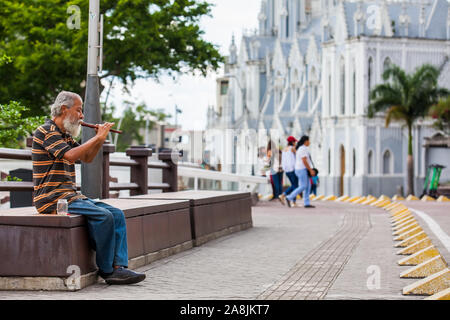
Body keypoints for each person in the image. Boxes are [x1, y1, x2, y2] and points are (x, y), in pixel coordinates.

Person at [32, 91, 146, 285]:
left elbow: (86, 157)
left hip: (70, 197)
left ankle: (120, 267)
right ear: (63, 109)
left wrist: (99, 139)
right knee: (104, 216)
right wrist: (98, 138)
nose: (82, 116)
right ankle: (107, 270)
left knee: (116, 214)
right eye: (79, 110)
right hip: (52, 199)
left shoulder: (64, 135)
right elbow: (70, 156)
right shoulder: (45, 131)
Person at [283, 135, 316, 208]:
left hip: (301, 169)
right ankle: (289, 197)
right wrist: (310, 170)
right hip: (302, 169)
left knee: (308, 186)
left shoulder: (302, 148)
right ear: (306, 141)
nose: (309, 142)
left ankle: (306, 203)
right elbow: (304, 160)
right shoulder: (303, 149)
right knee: (303, 186)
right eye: (308, 141)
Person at [279, 136, 298, 206]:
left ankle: (293, 201)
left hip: (286, 170)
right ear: (292, 142)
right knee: (296, 186)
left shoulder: (284, 149)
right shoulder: (292, 149)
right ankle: (284, 195)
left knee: (294, 186)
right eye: (295, 142)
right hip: (293, 169)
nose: (295, 143)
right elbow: (298, 157)